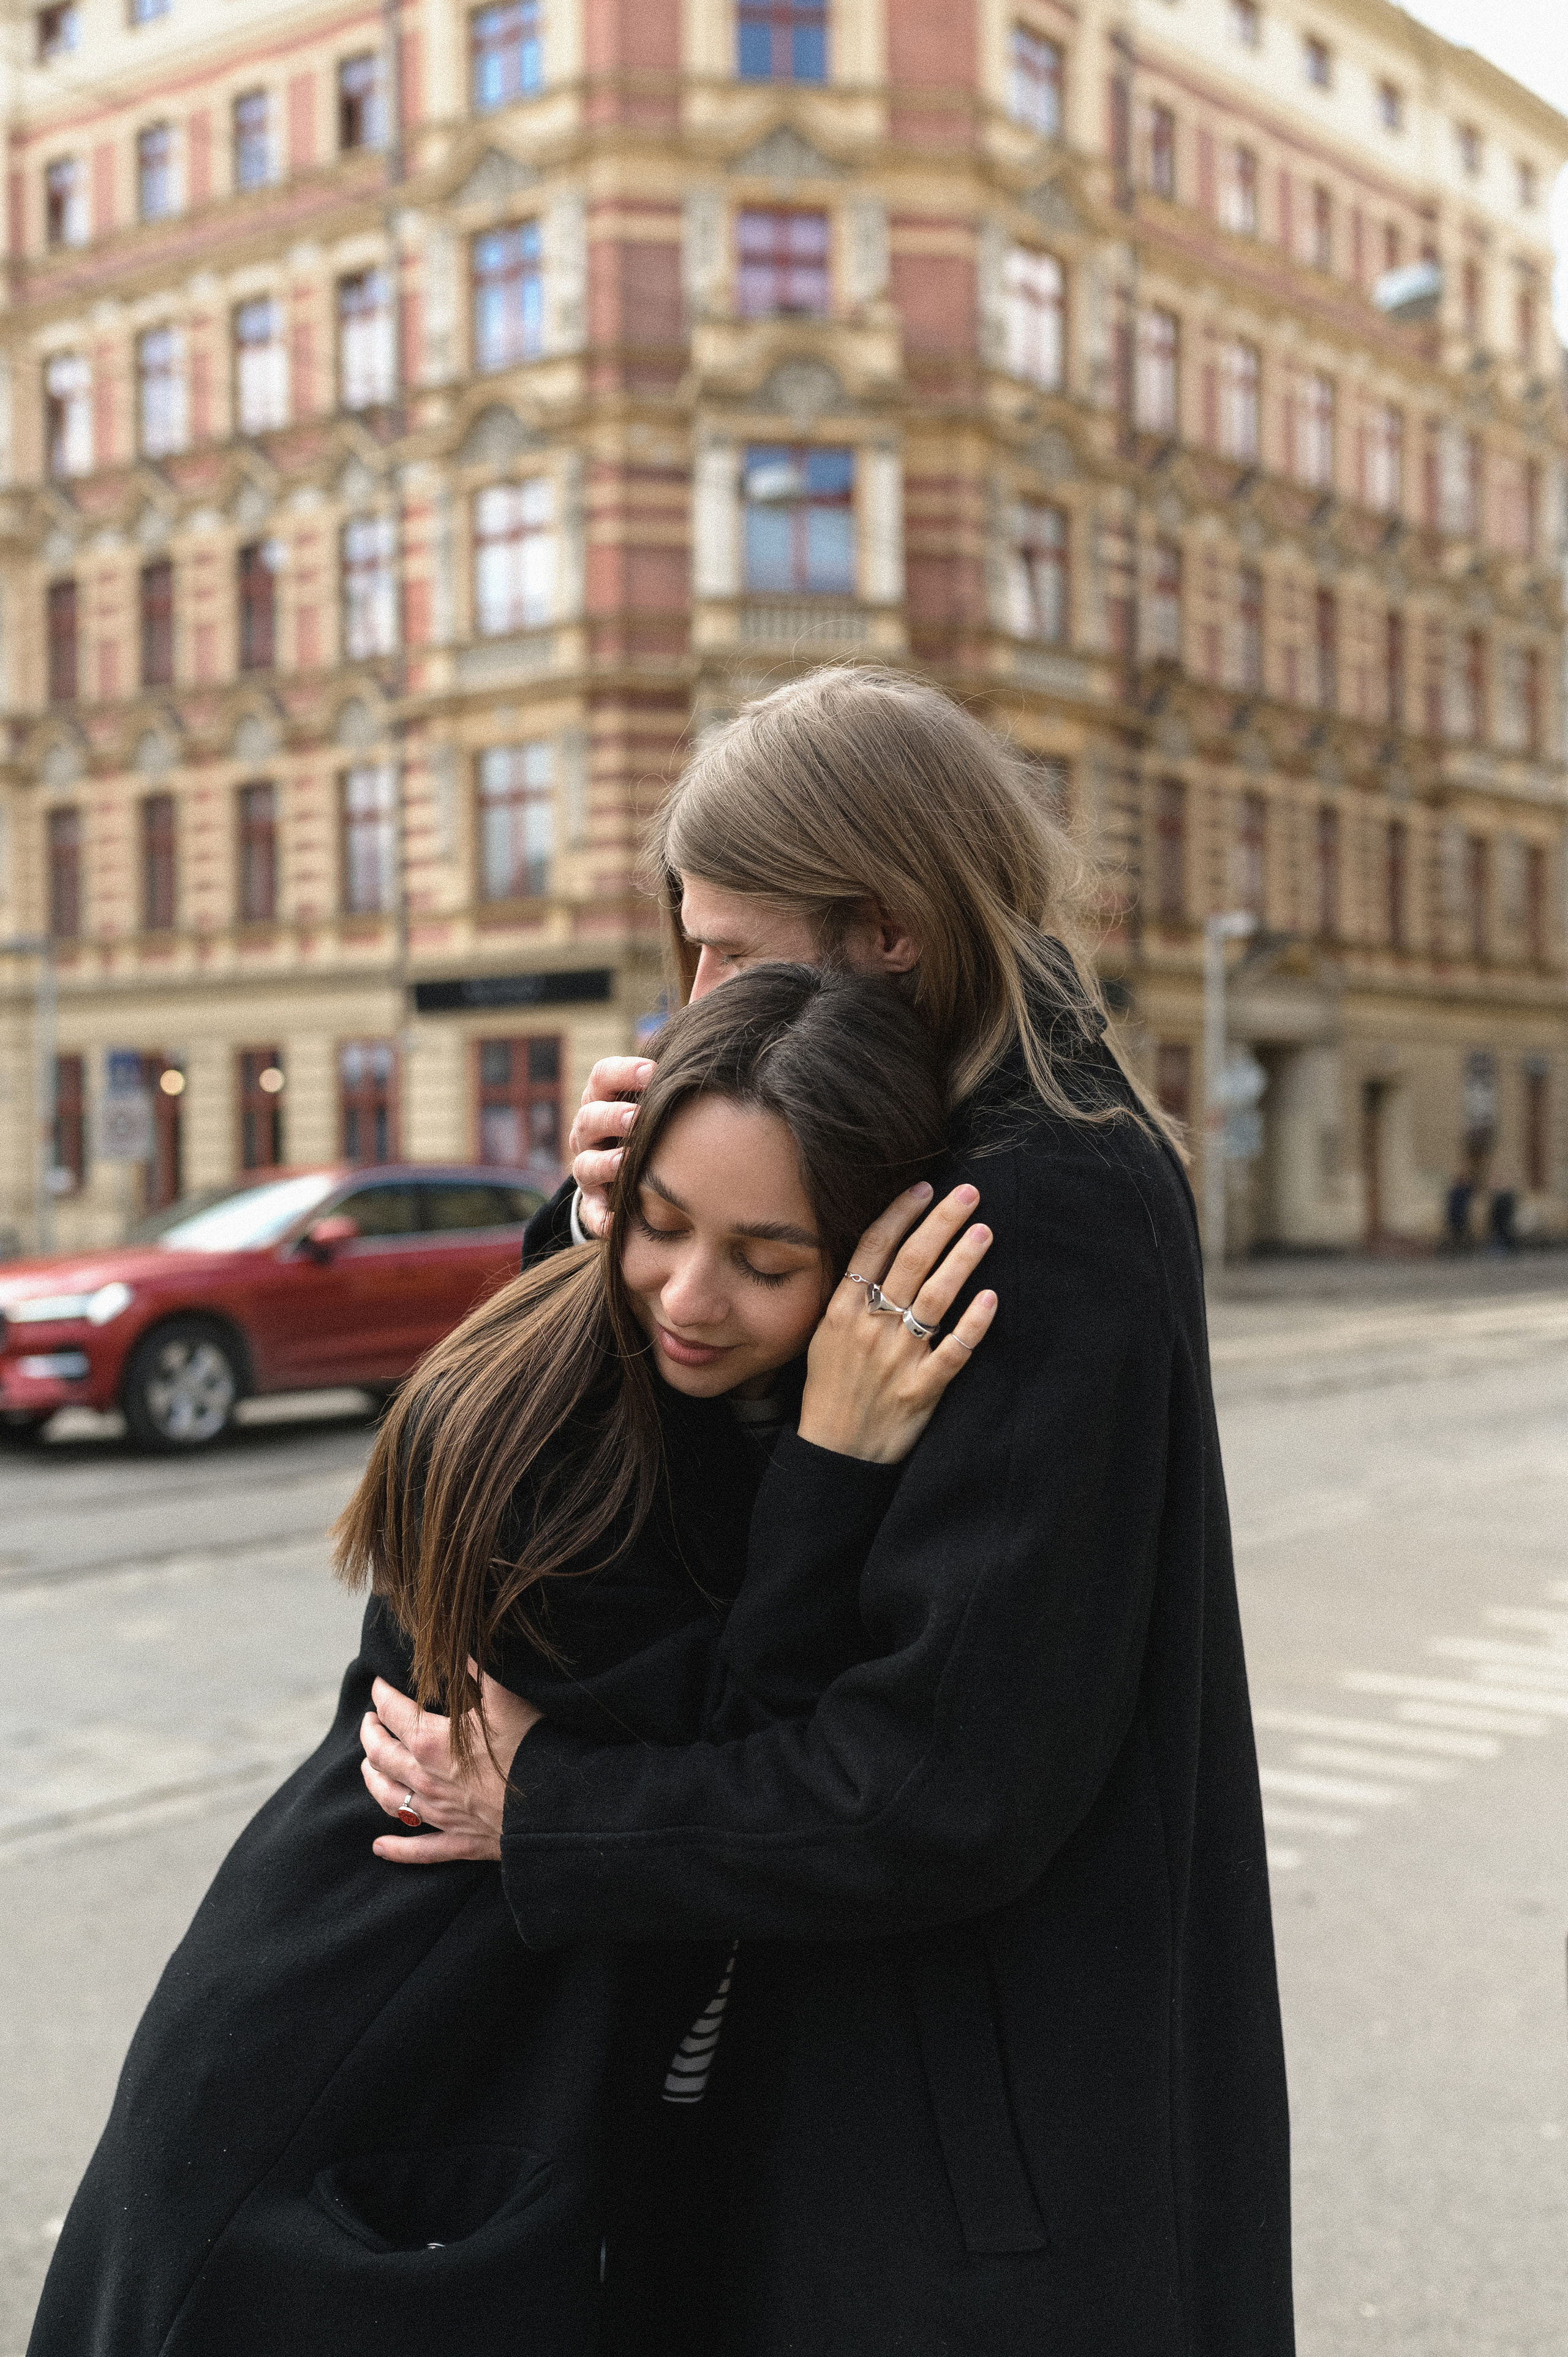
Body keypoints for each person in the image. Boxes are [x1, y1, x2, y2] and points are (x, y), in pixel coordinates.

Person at [360, 665, 1295, 2356]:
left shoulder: (1024, 1203)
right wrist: (609, 1238)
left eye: (734, 950)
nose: (693, 997)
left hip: (965, 2166)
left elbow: (939, 1778)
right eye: (686, 945)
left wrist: (548, 1811)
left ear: (890, 931)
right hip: (913, 2107)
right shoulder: (901, 1129)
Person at [26, 967, 991, 2357]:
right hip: (363, 2083)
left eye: (766, 1261)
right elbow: (756, 1761)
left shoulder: (687, 1401)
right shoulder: (560, 1434)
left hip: (448, 2060)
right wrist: (835, 1464)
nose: (690, 1296)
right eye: (655, 1226)